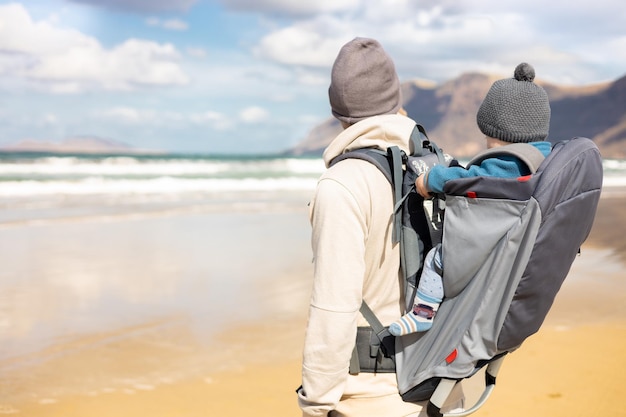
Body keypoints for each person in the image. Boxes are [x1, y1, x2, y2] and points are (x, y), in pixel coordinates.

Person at [297, 37, 465, 417]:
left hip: (373, 400)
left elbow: (334, 306)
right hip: (443, 389)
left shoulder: (342, 185)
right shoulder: (443, 167)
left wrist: (316, 403)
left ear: (337, 109)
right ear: (396, 99)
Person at [389, 62, 552, 337]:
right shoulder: (541, 160)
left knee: (436, 259)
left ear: (502, 136)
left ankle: (423, 313)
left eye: (488, 136)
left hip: (489, 243)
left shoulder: (508, 164)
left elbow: (466, 179)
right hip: (515, 242)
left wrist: (428, 181)